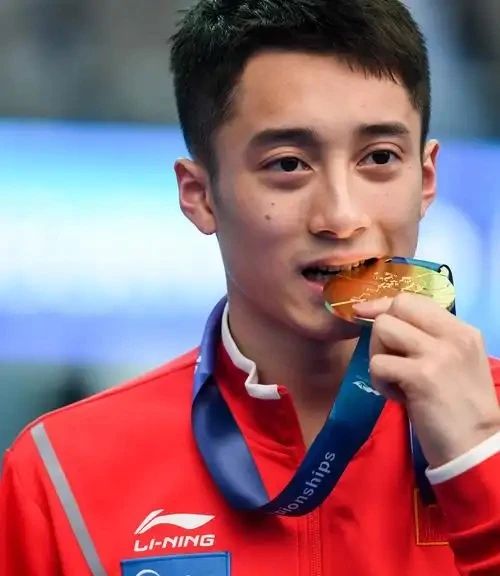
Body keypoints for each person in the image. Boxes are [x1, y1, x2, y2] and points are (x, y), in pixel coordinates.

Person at [1, 1, 499, 575]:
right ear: (200, 195)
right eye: (288, 165)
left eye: (380, 157)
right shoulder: (62, 473)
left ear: (426, 179)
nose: (341, 216)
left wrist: (480, 460)